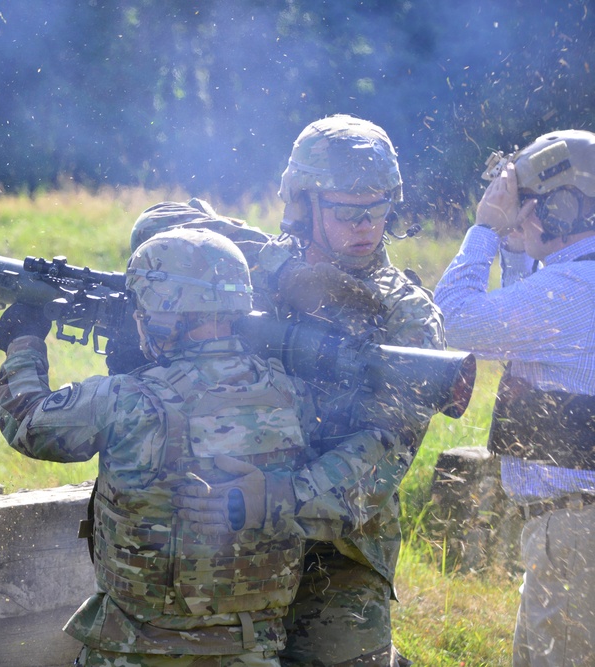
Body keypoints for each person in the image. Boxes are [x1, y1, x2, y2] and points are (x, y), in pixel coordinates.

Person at [172, 115, 446, 666]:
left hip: (336, 546)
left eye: (378, 209)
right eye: (347, 211)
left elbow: (383, 454)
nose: (366, 226)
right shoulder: (253, 271)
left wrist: (280, 498)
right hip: (223, 521)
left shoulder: (408, 321)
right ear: (302, 202)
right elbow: (164, 230)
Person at [0, 226, 313, 667]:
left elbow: (27, 422)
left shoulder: (127, 400)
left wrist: (23, 340)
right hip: (252, 651)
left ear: (163, 314)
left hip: (138, 651)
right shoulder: (292, 394)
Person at [434, 129, 595, 667]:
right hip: (569, 531)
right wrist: (516, 244)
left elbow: (453, 320)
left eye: (527, 203)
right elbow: (525, 317)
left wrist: (484, 229)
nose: (516, 214)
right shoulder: (576, 282)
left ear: (566, 206)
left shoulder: (574, 290)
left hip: (574, 534)